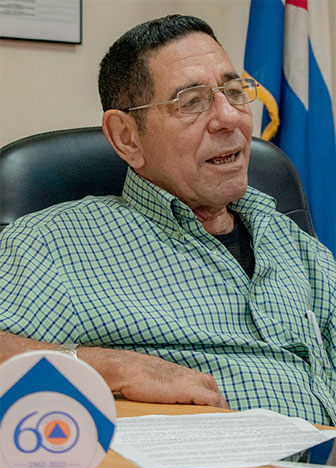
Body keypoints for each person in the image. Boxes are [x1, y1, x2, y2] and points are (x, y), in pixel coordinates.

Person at [0, 15, 335, 426]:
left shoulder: (289, 238)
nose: (229, 118)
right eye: (192, 102)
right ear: (127, 137)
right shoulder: (52, 246)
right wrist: (107, 367)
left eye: (233, 91)